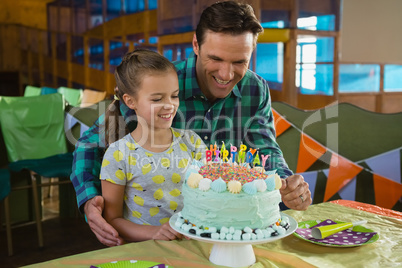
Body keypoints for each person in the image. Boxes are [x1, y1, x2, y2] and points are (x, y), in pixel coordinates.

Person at [71, 1, 312, 247]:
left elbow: (265, 150)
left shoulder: (255, 89)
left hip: (221, 231)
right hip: (149, 239)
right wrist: (90, 200)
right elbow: (89, 144)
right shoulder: (159, 85)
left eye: (240, 61)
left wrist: (287, 184)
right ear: (196, 45)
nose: (227, 74)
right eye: (216, 58)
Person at [99, 49, 206, 243]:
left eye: (174, 96)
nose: (170, 105)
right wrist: (154, 233)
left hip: (193, 247)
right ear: (131, 101)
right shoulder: (118, 155)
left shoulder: (193, 143)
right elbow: (112, 219)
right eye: (157, 99)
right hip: (147, 251)